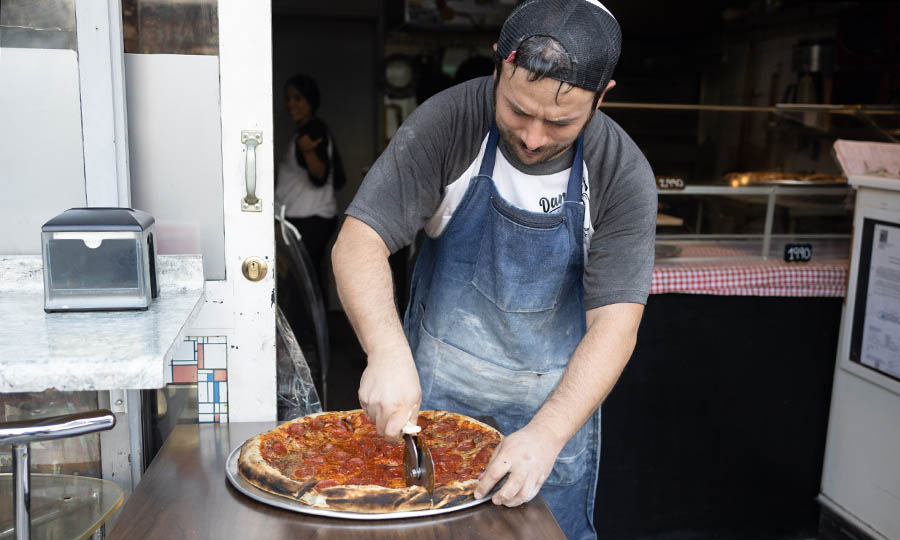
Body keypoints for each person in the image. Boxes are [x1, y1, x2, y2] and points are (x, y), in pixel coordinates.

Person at [331, 1, 656, 538]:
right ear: (499, 66)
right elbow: (358, 242)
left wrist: (548, 434)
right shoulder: (449, 122)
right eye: (517, 110)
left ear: (602, 97)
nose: (531, 137)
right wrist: (386, 353)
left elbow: (616, 325)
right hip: (431, 409)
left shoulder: (621, 173)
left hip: (550, 419)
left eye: (560, 122)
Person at [275, 73, 345, 294]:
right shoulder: (313, 129)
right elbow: (340, 179)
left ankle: (310, 330)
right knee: (309, 281)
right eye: (288, 98)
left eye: (298, 98)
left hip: (310, 220)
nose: (290, 104)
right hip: (310, 218)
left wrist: (308, 151)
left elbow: (320, 176)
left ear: (310, 100)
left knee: (304, 285)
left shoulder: (312, 131)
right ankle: (314, 329)